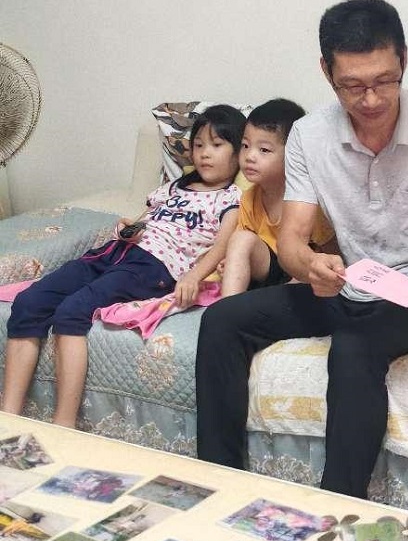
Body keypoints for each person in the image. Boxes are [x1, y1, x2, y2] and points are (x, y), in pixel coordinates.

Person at [195, 0, 408, 498]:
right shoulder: (309, 136)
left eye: (385, 81)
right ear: (326, 72)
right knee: (223, 319)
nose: (372, 100)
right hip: (349, 286)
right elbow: (292, 239)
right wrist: (309, 265)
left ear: (404, 60)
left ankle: (337, 504)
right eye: (353, 86)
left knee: (354, 347)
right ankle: (218, 482)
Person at [2, 104, 244, 428]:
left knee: (72, 310)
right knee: (29, 302)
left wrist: (194, 276)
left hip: (154, 267)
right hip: (114, 252)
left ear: (238, 151)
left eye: (216, 145)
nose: (205, 153)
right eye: (198, 144)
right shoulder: (174, 188)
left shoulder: (231, 198)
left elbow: (224, 243)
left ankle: (64, 425)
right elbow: (143, 221)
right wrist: (128, 228)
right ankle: (9, 418)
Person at [218, 98, 336, 297]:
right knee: (240, 239)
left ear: (293, 154)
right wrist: (231, 262)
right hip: (270, 268)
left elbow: (332, 252)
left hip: (302, 274)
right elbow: (246, 246)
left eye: (264, 150)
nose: (249, 156)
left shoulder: (306, 201)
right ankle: (228, 307)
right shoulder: (249, 198)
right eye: (245, 145)